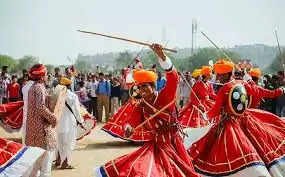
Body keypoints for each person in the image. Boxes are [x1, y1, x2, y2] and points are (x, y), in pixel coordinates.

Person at [95, 44, 199, 177]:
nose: (142, 90)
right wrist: (128, 128)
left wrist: (162, 57)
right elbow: (130, 121)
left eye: (145, 86)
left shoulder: (165, 96)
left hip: (174, 144)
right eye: (139, 87)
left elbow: (173, 78)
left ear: (153, 85)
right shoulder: (141, 105)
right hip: (156, 146)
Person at [189, 59, 285, 177]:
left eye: (219, 74)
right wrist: (278, 91)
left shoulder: (224, 89)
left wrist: (205, 115)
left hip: (230, 124)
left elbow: (215, 111)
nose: (217, 77)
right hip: (247, 120)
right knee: (259, 147)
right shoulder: (242, 83)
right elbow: (261, 91)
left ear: (225, 74)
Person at [25, 64, 57, 177]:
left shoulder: (32, 87)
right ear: (42, 76)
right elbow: (40, 107)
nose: (47, 76)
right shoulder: (39, 88)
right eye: (46, 74)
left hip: (32, 132)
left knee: (35, 165)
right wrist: (53, 118)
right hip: (41, 132)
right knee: (46, 166)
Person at [55, 77, 84, 169]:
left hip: (58, 121)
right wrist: (81, 121)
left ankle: (58, 159)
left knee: (59, 141)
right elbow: (76, 110)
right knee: (69, 142)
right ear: (69, 85)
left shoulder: (56, 95)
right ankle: (65, 163)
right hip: (69, 122)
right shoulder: (72, 96)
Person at [21, 77, 34, 145]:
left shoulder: (24, 88)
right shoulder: (35, 87)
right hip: (33, 113)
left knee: (25, 131)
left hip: (26, 112)